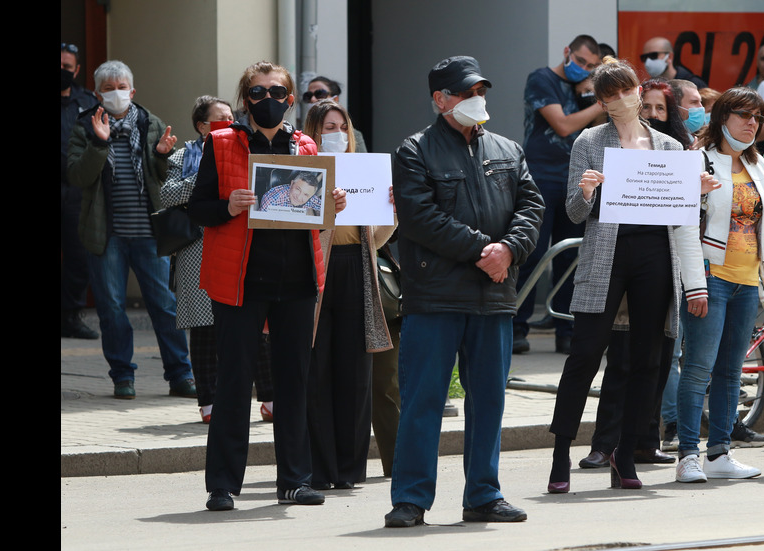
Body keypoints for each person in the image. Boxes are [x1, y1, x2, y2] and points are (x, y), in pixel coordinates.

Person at [385, 55, 543, 527]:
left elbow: (532, 207)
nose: (478, 100)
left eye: (480, 91)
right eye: (465, 93)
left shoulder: (508, 149)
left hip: (494, 296)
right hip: (434, 296)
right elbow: (419, 217)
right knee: (423, 401)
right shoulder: (414, 150)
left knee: (489, 400)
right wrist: (484, 251)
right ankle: (411, 499)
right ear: (440, 99)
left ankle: (483, 494)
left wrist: (510, 251)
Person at [187, 60, 347, 511]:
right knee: (234, 384)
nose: (267, 100)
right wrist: (228, 206)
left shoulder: (305, 144)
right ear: (244, 100)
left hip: (297, 280)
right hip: (240, 281)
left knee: (293, 384)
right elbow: (198, 210)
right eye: (257, 93)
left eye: (276, 93)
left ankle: (295, 480)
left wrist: (332, 204)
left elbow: (318, 220)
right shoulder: (220, 143)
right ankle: (223, 485)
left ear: (290, 99)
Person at [546, 56, 703, 494]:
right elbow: (575, 214)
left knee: (647, 359)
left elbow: (683, 214)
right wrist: (586, 191)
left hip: (656, 253)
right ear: (600, 101)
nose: (621, 100)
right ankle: (560, 454)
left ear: (640, 89)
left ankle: (626, 451)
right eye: (610, 95)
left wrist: (698, 192)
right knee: (585, 355)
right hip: (606, 255)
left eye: (626, 90)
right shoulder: (589, 142)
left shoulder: (670, 147)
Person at [673, 87, 764, 483]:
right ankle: (688, 453)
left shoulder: (757, 165)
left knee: (730, 371)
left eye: (757, 116)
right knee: (699, 368)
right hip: (711, 278)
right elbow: (684, 226)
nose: (751, 122)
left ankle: (719, 452)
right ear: (722, 118)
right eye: (743, 114)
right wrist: (695, 284)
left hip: (745, 282)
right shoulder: (697, 160)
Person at [67, 60, 195, 400]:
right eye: (107, 89)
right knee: (110, 308)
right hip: (106, 236)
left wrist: (162, 156)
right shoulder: (85, 126)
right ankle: (123, 376)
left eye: (121, 87)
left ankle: (180, 374)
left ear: (132, 91)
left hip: (150, 233)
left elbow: (166, 178)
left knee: (165, 305)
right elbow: (77, 176)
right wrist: (99, 143)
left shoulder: (150, 123)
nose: (116, 94)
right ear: (96, 94)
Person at [161, 95, 275, 424]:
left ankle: (269, 398)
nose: (230, 120)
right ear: (202, 125)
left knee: (256, 326)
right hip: (196, 249)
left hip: (241, 246)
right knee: (204, 330)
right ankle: (208, 402)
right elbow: (166, 194)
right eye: (221, 117)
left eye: (231, 115)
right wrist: (212, 173)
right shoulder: (184, 155)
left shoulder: (245, 147)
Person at [302, 99, 397, 490]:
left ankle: (349, 470)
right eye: (327, 127)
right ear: (312, 132)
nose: (336, 134)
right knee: (316, 369)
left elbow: (372, 240)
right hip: (315, 273)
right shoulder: (302, 171)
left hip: (356, 270)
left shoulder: (363, 170)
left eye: (341, 126)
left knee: (356, 374)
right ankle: (319, 469)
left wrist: (391, 214)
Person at [516, 34, 603, 354]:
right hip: (540, 178)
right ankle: (515, 327)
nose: (584, 68)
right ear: (567, 52)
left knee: (571, 258)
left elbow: (601, 126)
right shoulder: (542, 78)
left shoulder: (587, 91)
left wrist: (593, 97)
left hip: (578, 179)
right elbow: (564, 126)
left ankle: (567, 328)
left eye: (591, 66)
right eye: (580, 61)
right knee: (533, 252)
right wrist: (597, 103)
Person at [61, 42, 100, 340]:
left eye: (66, 67)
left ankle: (71, 317)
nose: (62, 71)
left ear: (76, 70)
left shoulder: (87, 102)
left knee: (78, 256)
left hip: (75, 191)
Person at [303, 76, 368, 153]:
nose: (313, 99)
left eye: (320, 94)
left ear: (335, 99)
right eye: (308, 96)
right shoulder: (300, 138)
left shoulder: (354, 136)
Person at [641, 37, 707, 88]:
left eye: (653, 55)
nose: (648, 61)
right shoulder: (647, 87)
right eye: (644, 57)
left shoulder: (694, 84)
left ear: (670, 57)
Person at [259, 170, 324, 213]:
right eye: (298, 189)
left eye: (306, 195)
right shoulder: (271, 201)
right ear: (292, 183)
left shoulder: (311, 198)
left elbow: (326, 210)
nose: (299, 197)